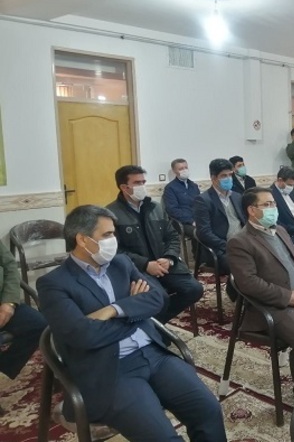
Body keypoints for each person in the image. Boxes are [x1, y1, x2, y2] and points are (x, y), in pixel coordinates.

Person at [36, 205, 226, 441]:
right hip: (111, 369)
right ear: (82, 240)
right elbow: (83, 335)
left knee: (208, 411)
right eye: (107, 235)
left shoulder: (121, 263)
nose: (113, 240)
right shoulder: (53, 284)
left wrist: (114, 309)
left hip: (155, 356)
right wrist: (135, 312)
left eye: (113, 233)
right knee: (162, 438)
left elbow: (158, 298)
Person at [227, 187, 294, 397]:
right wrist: (289, 297)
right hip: (273, 306)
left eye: (273, 203)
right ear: (252, 210)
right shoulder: (240, 242)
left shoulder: (280, 230)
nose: (273, 208)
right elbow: (248, 283)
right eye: (267, 205)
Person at [107, 165, 203, 324]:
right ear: (124, 187)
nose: (142, 186)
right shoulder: (112, 214)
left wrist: (169, 258)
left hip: (164, 263)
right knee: (160, 298)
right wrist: (145, 264)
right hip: (137, 269)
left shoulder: (154, 207)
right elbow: (115, 250)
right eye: (137, 183)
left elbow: (172, 236)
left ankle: (154, 324)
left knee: (194, 289)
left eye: (143, 182)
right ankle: (154, 327)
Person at [0, 240, 46, 380]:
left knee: (40, 325)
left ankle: (5, 369)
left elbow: (9, 266)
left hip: (3, 300)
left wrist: (9, 303)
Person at [194, 158, 246, 275]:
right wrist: (227, 245)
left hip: (243, 243)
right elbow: (204, 232)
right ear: (213, 178)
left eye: (230, 175)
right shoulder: (203, 200)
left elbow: (244, 221)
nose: (228, 178)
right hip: (221, 248)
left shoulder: (237, 196)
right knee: (243, 268)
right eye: (223, 176)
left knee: (266, 260)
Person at [162, 158, 200, 241]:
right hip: (183, 222)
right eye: (181, 169)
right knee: (202, 233)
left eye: (186, 167)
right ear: (174, 171)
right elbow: (172, 210)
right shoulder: (170, 188)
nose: (184, 170)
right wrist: (191, 221)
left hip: (198, 220)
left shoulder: (194, 186)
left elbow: (200, 204)